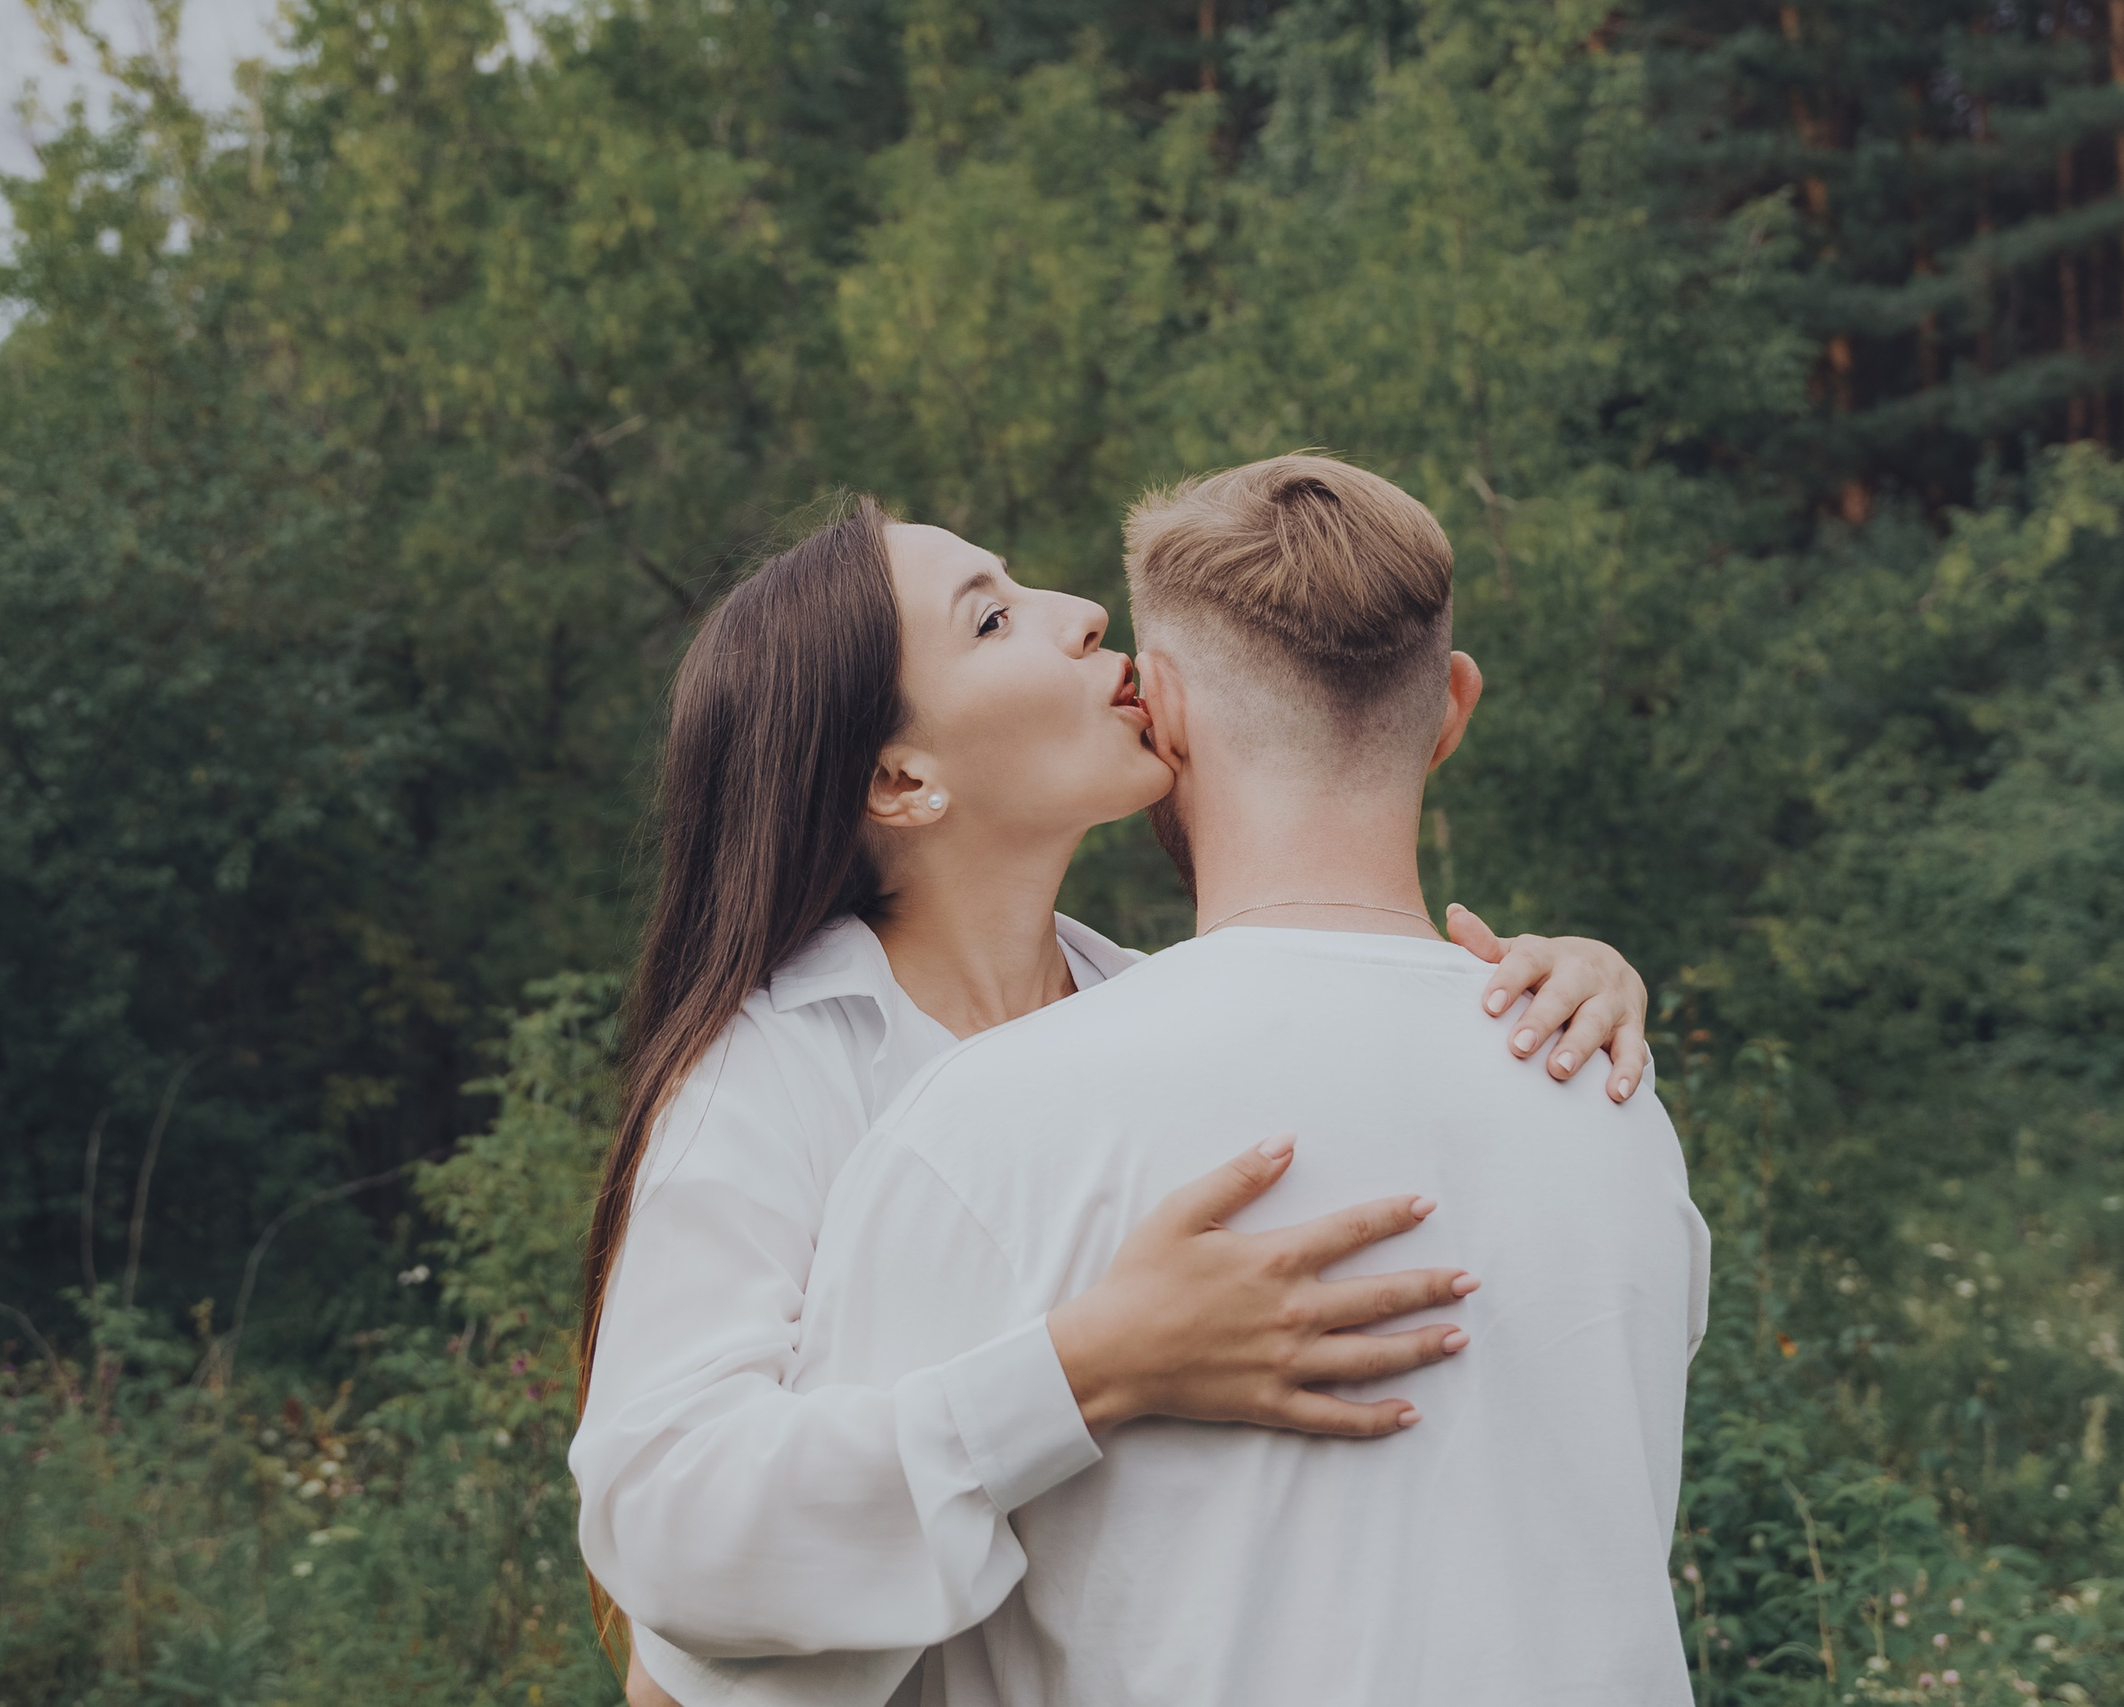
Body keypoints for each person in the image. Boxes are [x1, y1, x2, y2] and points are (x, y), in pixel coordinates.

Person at [570, 493, 1660, 1706]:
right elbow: (672, 1560)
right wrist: (1091, 1366)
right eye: (991, 619)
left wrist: (1552, 984)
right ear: (902, 778)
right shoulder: (770, 1071)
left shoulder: (1143, 1022)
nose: (1087, 614)